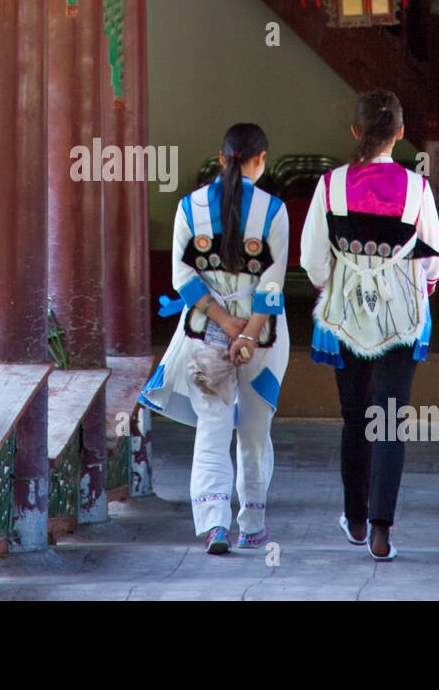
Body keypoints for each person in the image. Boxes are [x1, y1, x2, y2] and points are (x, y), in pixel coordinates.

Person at [300, 90, 439, 561]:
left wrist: (341, 282)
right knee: (389, 419)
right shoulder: (416, 188)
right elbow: (436, 258)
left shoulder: (330, 187)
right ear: (401, 133)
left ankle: (356, 518)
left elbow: (311, 260)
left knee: (355, 416)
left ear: (355, 131)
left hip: (344, 316)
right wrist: (415, 287)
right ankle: (383, 529)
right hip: (400, 319)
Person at [141, 123, 290, 555]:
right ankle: (252, 525)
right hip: (263, 336)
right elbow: (273, 286)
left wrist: (225, 325)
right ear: (260, 160)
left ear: (221, 158)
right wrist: (246, 334)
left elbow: (182, 279)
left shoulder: (189, 208)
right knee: (255, 431)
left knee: (212, 427)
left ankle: (214, 525)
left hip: (206, 334)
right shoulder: (274, 210)